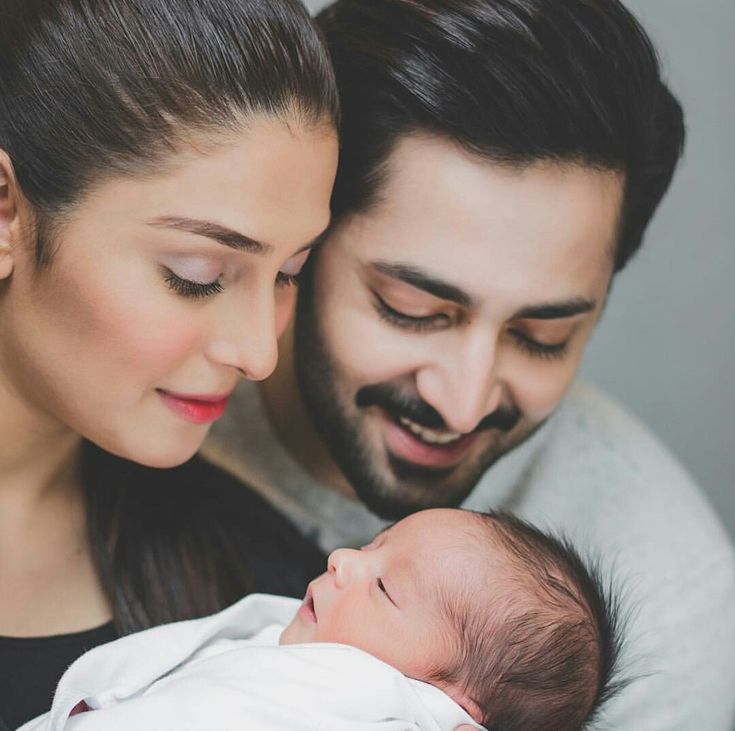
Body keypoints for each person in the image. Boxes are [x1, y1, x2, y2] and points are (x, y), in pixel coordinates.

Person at [203, 1, 735, 728]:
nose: (461, 402)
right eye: (410, 308)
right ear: (303, 246)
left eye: (543, 334)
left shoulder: (667, 611)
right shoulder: (134, 415)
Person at [0, 0, 339, 727]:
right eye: (196, 272)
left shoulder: (282, 606)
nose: (258, 352)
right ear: (6, 210)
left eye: (289, 273)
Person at [20, 509, 623, 731]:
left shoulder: (373, 701)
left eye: (384, 587)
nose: (344, 561)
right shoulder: (307, 655)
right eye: (373, 544)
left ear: (453, 706)